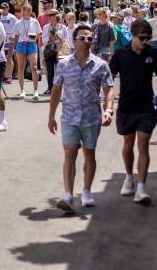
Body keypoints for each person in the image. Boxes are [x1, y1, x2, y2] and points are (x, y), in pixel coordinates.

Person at [48, 24, 115, 212]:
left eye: (89, 38)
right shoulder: (63, 64)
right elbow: (56, 90)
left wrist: (108, 110)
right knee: (70, 153)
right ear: (74, 41)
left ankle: (86, 190)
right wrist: (51, 116)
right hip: (69, 116)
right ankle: (68, 195)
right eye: (82, 38)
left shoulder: (101, 65)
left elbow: (109, 89)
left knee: (89, 153)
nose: (87, 41)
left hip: (92, 118)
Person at [109, 20, 157, 206]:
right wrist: (107, 101)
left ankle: (141, 188)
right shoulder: (120, 54)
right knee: (128, 144)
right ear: (132, 36)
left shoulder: (153, 53)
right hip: (126, 106)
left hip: (146, 107)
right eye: (142, 38)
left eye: (148, 38)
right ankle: (128, 177)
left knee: (143, 144)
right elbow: (109, 77)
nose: (145, 41)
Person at [13, 4, 42, 100]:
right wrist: (14, 47)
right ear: (23, 11)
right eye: (27, 10)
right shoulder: (18, 23)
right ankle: (22, 90)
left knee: (33, 67)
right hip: (21, 44)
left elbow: (40, 34)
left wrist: (33, 37)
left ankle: (36, 91)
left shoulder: (35, 21)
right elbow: (16, 36)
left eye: (30, 10)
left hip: (32, 44)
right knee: (21, 68)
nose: (29, 12)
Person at [41, 9, 68, 95]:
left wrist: (59, 38)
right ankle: (50, 88)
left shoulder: (63, 27)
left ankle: (60, 89)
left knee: (60, 71)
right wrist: (49, 37)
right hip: (49, 50)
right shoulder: (46, 27)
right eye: (49, 17)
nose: (50, 19)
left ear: (57, 18)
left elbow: (66, 40)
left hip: (59, 51)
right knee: (49, 70)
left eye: (52, 17)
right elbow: (43, 41)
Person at [0, 2, 18, 84]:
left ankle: (9, 76)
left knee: (9, 58)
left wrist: (14, 36)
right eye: (2, 8)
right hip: (1, 41)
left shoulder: (12, 17)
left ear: (8, 8)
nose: (4, 9)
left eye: (5, 8)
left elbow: (18, 27)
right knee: (2, 58)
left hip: (10, 41)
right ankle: (4, 75)